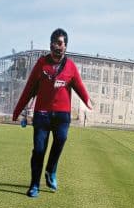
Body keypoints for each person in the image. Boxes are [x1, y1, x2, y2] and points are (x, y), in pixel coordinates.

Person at [11, 28, 91, 198]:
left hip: (62, 116)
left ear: (66, 46)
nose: (57, 46)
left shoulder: (70, 66)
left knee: (61, 140)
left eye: (60, 43)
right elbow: (29, 89)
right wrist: (17, 111)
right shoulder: (42, 64)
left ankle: (51, 170)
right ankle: (34, 185)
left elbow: (78, 85)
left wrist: (87, 100)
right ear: (50, 45)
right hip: (42, 115)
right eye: (55, 42)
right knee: (39, 150)